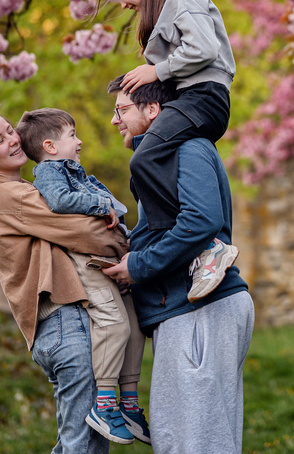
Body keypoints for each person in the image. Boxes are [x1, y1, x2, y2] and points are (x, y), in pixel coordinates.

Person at [0, 107, 126, 454]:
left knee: (81, 440)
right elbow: (83, 231)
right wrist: (122, 238)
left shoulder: (21, 188)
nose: (14, 140)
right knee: (82, 443)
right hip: (62, 321)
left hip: (58, 326)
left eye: (9, 130)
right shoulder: (9, 195)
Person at [101, 77, 254, 454]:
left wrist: (138, 266)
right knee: (178, 438)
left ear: (153, 110)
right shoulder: (162, 161)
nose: (114, 120)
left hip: (201, 308)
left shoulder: (188, 148)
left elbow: (201, 221)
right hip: (182, 310)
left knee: (201, 440)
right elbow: (171, 227)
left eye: (121, 110)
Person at [98, 0, 239, 300]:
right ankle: (171, 244)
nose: (123, 5)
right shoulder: (163, 14)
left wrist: (155, 70)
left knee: (144, 159)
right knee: (146, 158)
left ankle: (202, 247)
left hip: (204, 98)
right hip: (186, 100)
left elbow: (204, 48)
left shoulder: (180, 1)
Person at [16, 107, 150, 445]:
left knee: (134, 325)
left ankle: (129, 401)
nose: (80, 141)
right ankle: (104, 404)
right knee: (113, 322)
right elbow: (60, 202)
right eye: (72, 135)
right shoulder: (48, 171)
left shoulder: (75, 171)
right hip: (85, 261)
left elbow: (114, 209)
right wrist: (99, 205)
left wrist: (122, 229)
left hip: (106, 255)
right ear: (49, 146)